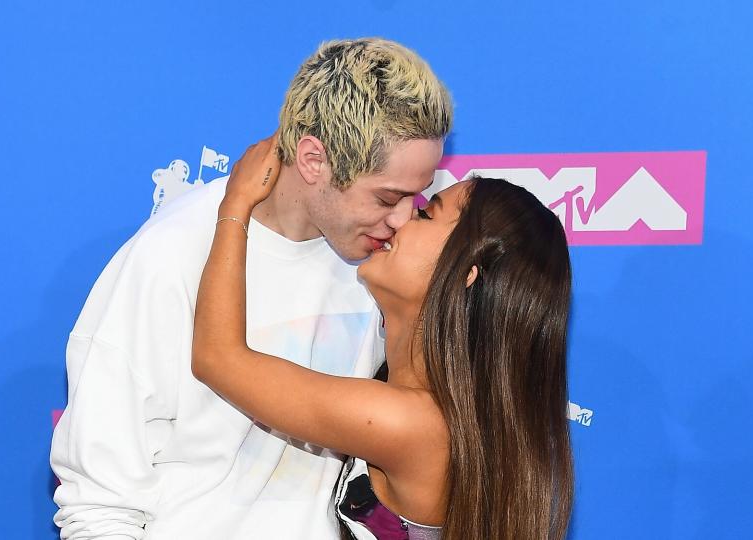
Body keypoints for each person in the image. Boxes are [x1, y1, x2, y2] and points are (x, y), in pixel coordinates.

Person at [50, 37, 452, 539]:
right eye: (387, 196)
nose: (402, 220)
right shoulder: (173, 255)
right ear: (312, 160)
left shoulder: (386, 270)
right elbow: (99, 503)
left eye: (417, 197)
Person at [192, 138, 575, 540]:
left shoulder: (410, 423)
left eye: (426, 215)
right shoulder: (442, 412)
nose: (400, 219)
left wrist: (236, 204)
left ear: (468, 274)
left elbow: (217, 358)